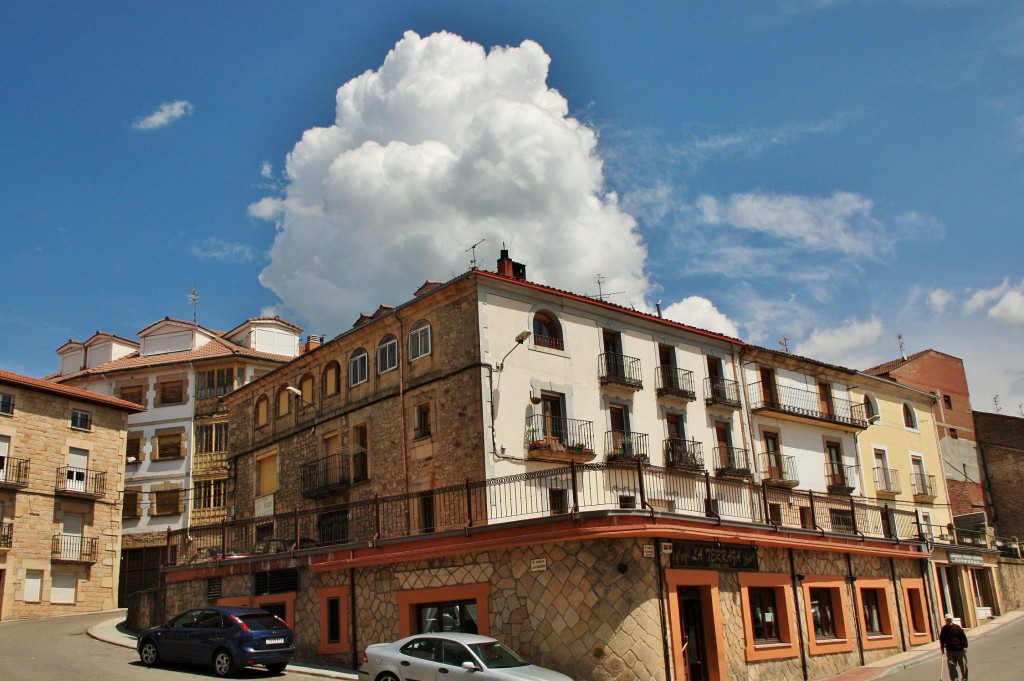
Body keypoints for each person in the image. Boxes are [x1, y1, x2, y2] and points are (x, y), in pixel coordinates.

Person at [939, 613, 968, 681]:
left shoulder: (957, 627)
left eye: (950, 619)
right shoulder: (944, 629)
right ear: (945, 621)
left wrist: (965, 646)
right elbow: (942, 639)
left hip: (959, 650)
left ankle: (965, 679)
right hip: (950, 651)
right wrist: (942, 647)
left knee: (963, 665)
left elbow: (964, 637)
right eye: (947, 620)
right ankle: (955, 679)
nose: (948, 621)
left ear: (952, 619)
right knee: (951, 666)